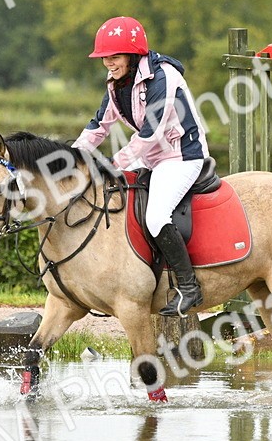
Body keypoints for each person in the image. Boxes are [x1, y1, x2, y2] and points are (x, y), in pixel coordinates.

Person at [71, 16, 209, 317]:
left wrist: (113, 162)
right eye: (105, 57)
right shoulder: (116, 83)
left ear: (133, 55)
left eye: (115, 56)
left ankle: (189, 288)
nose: (108, 62)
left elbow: (151, 133)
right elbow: (98, 126)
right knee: (107, 196)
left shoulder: (164, 77)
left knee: (156, 216)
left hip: (180, 157)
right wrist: (71, 158)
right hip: (149, 157)